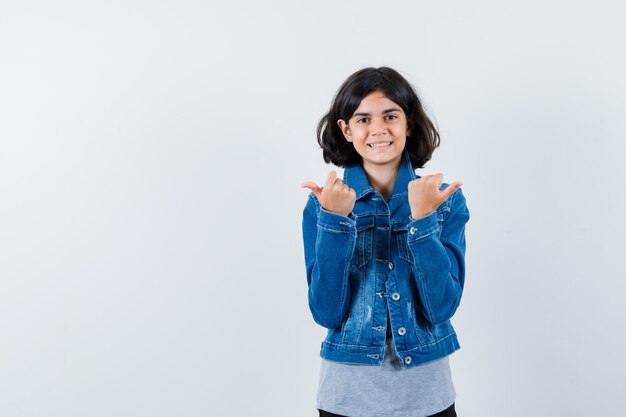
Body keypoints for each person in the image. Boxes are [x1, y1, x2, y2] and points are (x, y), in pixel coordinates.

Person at [300, 67, 470, 417]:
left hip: (428, 396)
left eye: (390, 116)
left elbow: (441, 308)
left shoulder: (445, 201)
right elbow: (325, 312)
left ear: (408, 124)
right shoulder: (323, 205)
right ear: (346, 130)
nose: (378, 129)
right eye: (363, 119)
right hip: (346, 397)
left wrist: (423, 220)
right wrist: (334, 222)